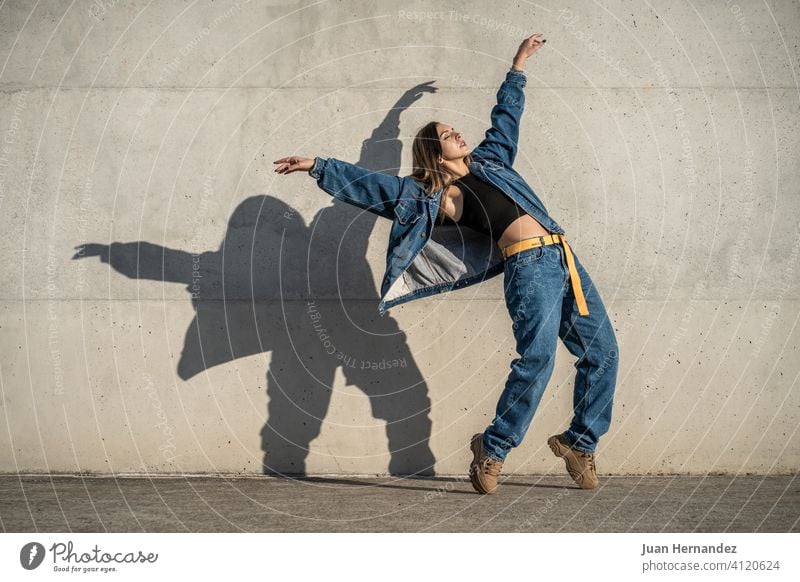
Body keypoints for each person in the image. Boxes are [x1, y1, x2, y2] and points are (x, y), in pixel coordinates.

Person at [273, 34, 619, 493]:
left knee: (603, 354)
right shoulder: (435, 196)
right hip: (530, 268)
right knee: (537, 359)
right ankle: (492, 450)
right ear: (436, 153)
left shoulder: (493, 160)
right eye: (447, 134)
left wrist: (517, 68)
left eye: (456, 129)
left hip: (564, 259)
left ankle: (580, 442)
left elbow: (506, 119)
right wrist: (319, 165)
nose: (458, 133)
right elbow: (377, 188)